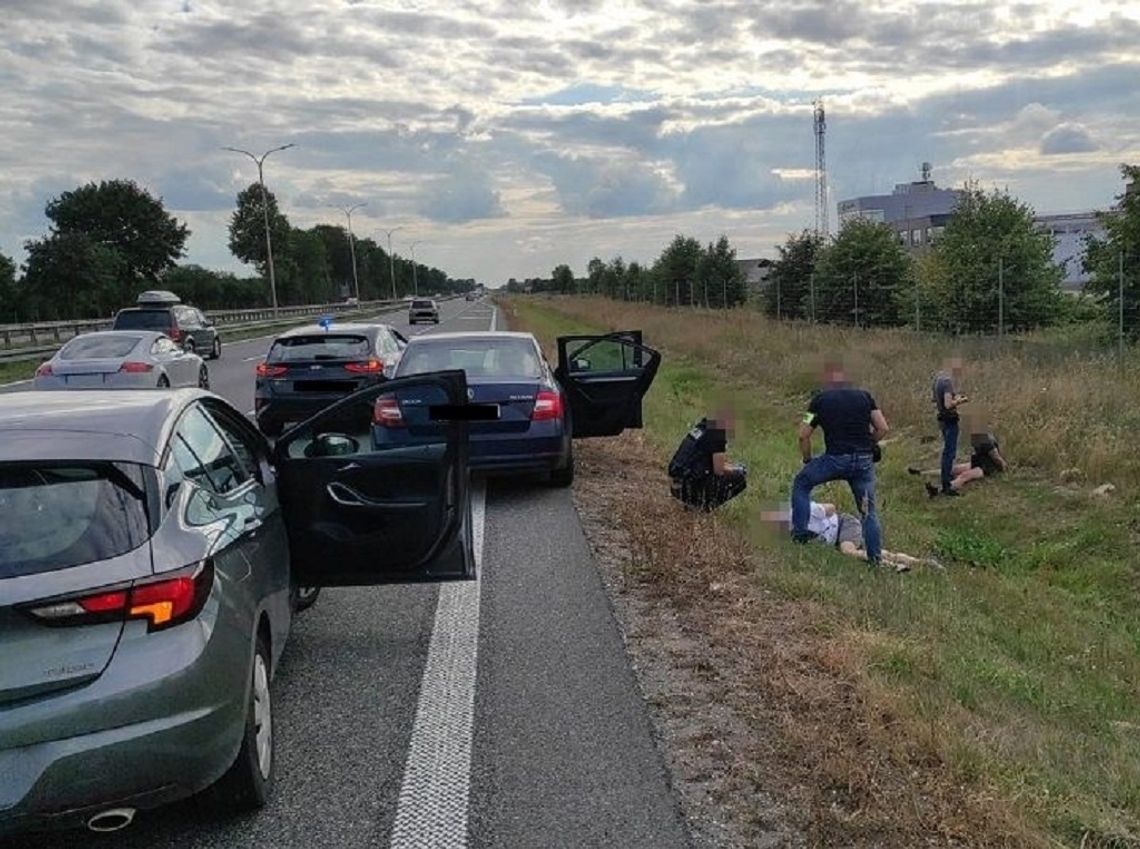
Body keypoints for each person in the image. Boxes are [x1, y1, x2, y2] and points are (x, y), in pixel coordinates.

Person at [792, 359, 889, 564]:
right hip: (863, 462)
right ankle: (875, 559)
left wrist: (808, 459)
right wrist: (868, 443)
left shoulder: (819, 401)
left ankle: (800, 533)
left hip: (835, 459)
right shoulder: (865, 397)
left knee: (802, 483)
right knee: (868, 512)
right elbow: (883, 428)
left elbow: (803, 434)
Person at [763, 501, 939, 572]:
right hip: (836, 538)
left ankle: (890, 566)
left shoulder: (802, 510)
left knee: (848, 551)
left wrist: (820, 510)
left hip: (843, 524)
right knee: (868, 550)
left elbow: (832, 507)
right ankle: (919, 563)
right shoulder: (789, 536)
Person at [668, 409, 747, 511]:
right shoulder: (718, 432)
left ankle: (692, 502)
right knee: (739, 478)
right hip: (687, 488)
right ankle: (698, 507)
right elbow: (719, 469)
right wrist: (738, 469)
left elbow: (715, 461)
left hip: (676, 483)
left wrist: (732, 466)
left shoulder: (704, 426)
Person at [910, 428, 1008, 497]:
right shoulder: (975, 436)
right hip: (979, 461)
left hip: (988, 467)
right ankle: (921, 473)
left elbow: (996, 458)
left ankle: (939, 490)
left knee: (965, 475)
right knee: (953, 469)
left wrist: (1003, 467)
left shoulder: (986, 440)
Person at [932, 357, 969, 497]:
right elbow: (948, 404)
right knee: (949, 452)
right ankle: (946, 484)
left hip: (941, 418)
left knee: (947, 450)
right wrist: (960, 400)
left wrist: (953, 398)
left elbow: (936, 400)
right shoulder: (947, 382)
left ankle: (946, 478)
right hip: (950, 419)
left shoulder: (938, 379)